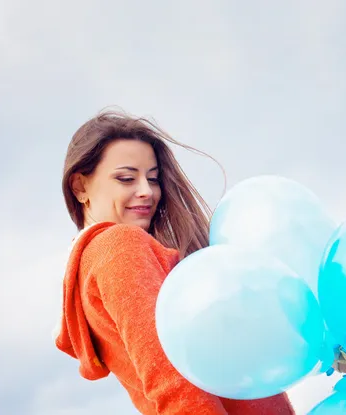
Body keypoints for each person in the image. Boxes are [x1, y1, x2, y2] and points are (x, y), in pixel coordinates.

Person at [53, 109, 295, 415]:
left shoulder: (93, 262)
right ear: (80, 187)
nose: (147, 191)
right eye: (126, 178)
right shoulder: (119, 246)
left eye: (153, 179)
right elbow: (172, 382)